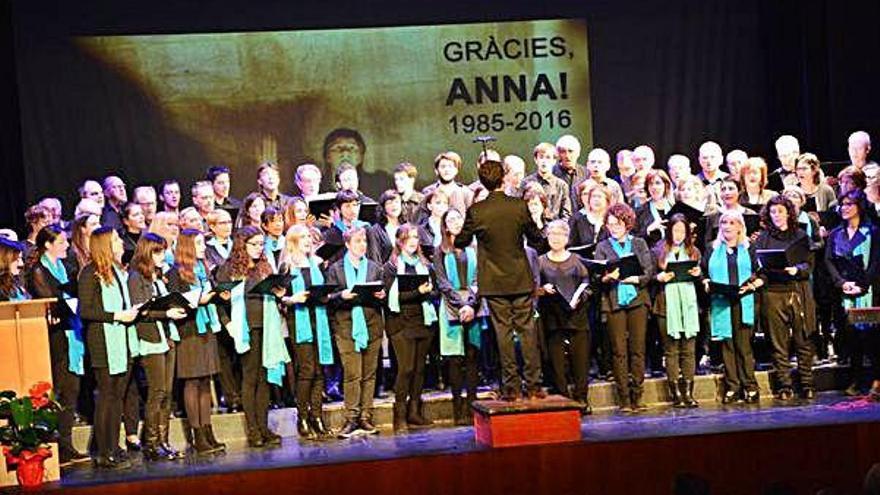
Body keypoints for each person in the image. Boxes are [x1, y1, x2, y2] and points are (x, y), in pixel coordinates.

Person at [455, 159, 545, 401]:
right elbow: (536, 240)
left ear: (482, 181)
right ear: (503, 179)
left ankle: (512, 388)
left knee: (503, 334)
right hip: (520, 279)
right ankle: (535, 385)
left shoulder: (477, 211)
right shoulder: (518, 206)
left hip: (493, 283)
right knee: (527, 332)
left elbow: (460, 242)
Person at [216, 226, 287, 447]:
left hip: (267, 326)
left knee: (264, 378)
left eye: (260, 245)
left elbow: (271, 295)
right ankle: (253, 429)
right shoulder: (229, 268)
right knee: (250, 377)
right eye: (253, 244)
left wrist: (279, 294)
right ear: (242, 245)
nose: (258, 249)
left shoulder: (263, 266)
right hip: (245, 328)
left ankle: (264, 427)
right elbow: (219, 301)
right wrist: (228, 324)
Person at [24, 226, 89, 464]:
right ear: (48, 244)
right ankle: (55, 445)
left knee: (71, 393)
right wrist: (67, 304)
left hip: (73, 334)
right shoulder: (38, 271)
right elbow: (50, 303)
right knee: (59, 392)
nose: (66, 246)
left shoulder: (68, 269)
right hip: (55, 338)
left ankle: (67, 443)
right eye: (61, 242)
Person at [78, 227, 141, 470]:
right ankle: (104, 452)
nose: (121, 243)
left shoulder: (116, 271)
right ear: (104, 243)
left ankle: (114, 447)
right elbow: (86, 311)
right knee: (107, 397)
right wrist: (118, 315)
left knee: (117, 398)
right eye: (116, 239)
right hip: (103, 342)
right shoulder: (90, 273)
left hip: (122, 340)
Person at [126, 233, 187, 461]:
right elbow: (141, 310)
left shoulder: (158, 276)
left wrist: (176, 308)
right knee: (157, 392)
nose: (163, 256)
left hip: (167, 336)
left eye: (164, 251)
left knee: (167, 393)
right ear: (147, 252)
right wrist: (166, 312)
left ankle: (163, 441)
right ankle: (151, 444)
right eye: (158, 251)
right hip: (151, 339)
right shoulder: (136, 277)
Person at [167, 229, 228, 454]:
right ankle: (197, 435)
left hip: (206, 330)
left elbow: (209, 294)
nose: (204, 246)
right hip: (189, 331)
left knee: (205, 382)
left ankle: (208, 431)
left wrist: (218, 296)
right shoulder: (176, 273)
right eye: (200, 243)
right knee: (192, 382)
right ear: (188, 246)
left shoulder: (203, 269)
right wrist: (197, 301)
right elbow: (175, 302)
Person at [324, 227, 386, 437]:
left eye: (364, 241)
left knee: (369, 374)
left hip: (372, 325)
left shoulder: (375, 268)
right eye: (358, 241)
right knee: (353, 374)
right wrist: (342, 294)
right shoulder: (336, 269)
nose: (362, 245)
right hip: (346, 326)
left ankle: (365, 417)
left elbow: (382, 296)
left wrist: (381, 295)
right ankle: (351, 417)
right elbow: (328, 297)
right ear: (348, 244)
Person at [594, 202, 655, 412]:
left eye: (618, 224)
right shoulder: (602, 246)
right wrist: (608, 277)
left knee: (637, 350)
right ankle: (624, 398)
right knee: (619, 351)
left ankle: (638, 395)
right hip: (614, 301)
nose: (613, 228)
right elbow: (598, 275)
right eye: (610, 224)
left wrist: (635, 279)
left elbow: (648, 271)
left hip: (637, 299)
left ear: (627, 224)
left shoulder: (638, 243)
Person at [755, 195, 817, 400]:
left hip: (796, 291)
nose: (776, 216)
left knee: (803, 339)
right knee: (778, 341)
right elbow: (759, 266)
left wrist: (796, 270)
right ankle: (784, 385)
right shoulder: (763, 237)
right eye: (773, 212)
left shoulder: (800, 235)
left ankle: (807, 383)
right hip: (773, 292)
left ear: (789, 213)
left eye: (780, 211)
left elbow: (809, 265)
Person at [279, 225, 333, 439]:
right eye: (303, 237)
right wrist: (292, 299)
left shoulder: (317, 264)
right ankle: (302, 416)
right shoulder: (286, 267)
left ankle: (316, 416)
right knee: (307, 369)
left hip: (318, 319)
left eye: (309, 236)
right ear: (292, 241)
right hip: (299, 320)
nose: (308, 240)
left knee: (319, 371)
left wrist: (325, 295)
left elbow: (323, 290)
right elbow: (279, 297)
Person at [825, 190, 880, 399]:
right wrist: (841, 283)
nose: (844, 208)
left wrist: (863, 285)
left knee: (871, 338)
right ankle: (856, 379)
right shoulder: (836, 234)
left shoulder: (872, 232)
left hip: (868, 292)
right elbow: (829, 261)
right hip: (845, 293)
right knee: (852, 339)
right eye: (842, 204)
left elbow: (876, 262)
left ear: (859, 207)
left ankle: (876, 380)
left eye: (849, 204)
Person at [383, 224, 438, 431]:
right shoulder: (391, 267)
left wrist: (428, 292)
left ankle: (414, 412)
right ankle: (400, 416)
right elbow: (392, 298)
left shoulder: (426, 265)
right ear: (399, 241)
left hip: (423, 321)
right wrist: (418, 291)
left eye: (415, 237)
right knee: (405, 369)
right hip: (401, 323)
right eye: (408, 238)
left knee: (419, 369)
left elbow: (434, 293)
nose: (413, 241)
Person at [703, 211, 762, 403]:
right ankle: (733, 386)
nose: (727, 226)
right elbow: (703, 271)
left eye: (731, 222)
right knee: (727, 346)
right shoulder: (712, 248)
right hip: (722, 300)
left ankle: (750, 386)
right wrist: (704, 281)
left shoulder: (749, 247)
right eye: (723, 223)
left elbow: (760, 271)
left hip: (744, 300)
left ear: (740, 226)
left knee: (743, 346)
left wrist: (753, 284)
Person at [435, 208, 485, 424]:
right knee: (455, 359)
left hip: (474, 304)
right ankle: (458, 409)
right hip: (451, 305)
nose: (455, 222)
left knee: (472, 356)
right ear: (445, 226)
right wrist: (461, 303)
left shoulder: (475, 247)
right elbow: (442, 282)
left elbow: (479, 277)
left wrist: (471, 304)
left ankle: (473, 406)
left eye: (458, 218)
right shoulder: (440, 251)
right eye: (451, 220)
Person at [536, 220, 592, 413]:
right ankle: (563, 400)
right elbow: (533, 288)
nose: (556, 238)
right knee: (557, 363)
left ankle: (582, 399)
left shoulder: (577, 260)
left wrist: (581, 296)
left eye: (560, 234)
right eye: (552, 234)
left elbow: (588, 284)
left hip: (577, 315)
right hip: (552, 317)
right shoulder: (540, 261)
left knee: (580, 360)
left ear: (567, 238)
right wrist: (542, 290)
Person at [652, 214, 702, 408]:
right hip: (666, 304)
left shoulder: (694, 251)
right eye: (675, 230)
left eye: (682, 231)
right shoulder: (658, 250)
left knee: (689, 349)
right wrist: (659, 277)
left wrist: (698, 274)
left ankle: (688, 392)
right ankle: (675, 394)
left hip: (689, 303)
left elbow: (700, 274)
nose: (679, 235)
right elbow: (649, 276)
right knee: (671, 349)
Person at [523, 142, 572, 222]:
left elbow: (566, 215)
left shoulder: (561, 185)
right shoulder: (526, 182)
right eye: (541, 157)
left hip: (554, 230)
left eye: (548, 158)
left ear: (554, 161)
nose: (544, 161)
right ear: (536, 160)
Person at [421, 151, 474, 218]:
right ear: (436, 171)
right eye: (443, 167)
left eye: (450, 166)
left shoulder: (466, 192)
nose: (447, 170)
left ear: (456, 171)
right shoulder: (428, 191)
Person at [635, 169, 674, 244]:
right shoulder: (639, 211)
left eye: (658, 183)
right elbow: (634, 240)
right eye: (651, 184)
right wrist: (647, 230)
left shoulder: (675, 209)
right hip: (650, 253)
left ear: (666, 185)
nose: (654, 187)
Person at [569, 182, 611, 247]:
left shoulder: (612, 221)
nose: (596, 200)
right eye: (593, 196)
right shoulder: (578, 220)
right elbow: (571, 244)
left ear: (607, 201)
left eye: (599, 197)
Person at [367, 189, 403, 264]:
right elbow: (374, 259)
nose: (394, 205)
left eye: (396, 202)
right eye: (389, 203)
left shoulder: (407, 226)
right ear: (383, 207)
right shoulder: (375, 231)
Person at [696, 141, 728, 205]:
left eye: (712, 157)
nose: (709, 161)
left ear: (721, 159)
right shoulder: (693, 182)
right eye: (705, 158)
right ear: (699, 160)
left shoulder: (730, 180)